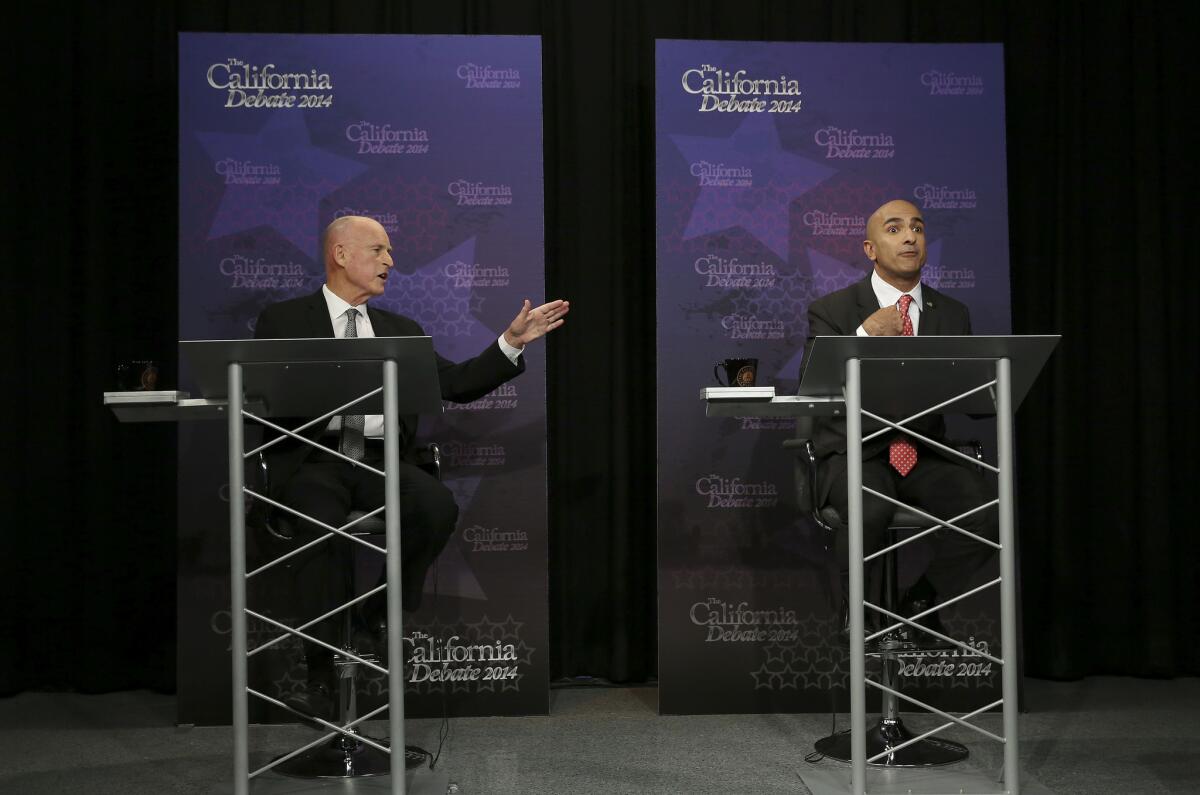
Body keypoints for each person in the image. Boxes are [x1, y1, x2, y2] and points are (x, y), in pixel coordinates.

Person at [253, 215, 568, 720]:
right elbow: (265, 398)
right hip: (312, 460)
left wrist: (512, 341)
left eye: (389, 252)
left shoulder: (402, 331)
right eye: (378, 250)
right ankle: (321, 661)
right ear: (340, 255)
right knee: (321, 528)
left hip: (377, 462)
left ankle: (374, 615)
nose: (389, 262)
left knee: (435, 504)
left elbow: (459, 383)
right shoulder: (284, 321)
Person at [802, 199, 996, 647]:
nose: (909, 237)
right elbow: (814, 388)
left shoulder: (952, 315)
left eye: (917, 228)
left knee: (989, 510)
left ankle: (920, 606)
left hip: (923, 452)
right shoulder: (833, 310)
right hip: (858, 451)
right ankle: (863, 620)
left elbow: (976, 402)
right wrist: (865, 336)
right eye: (894, 229)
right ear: (870, 248)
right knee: (870, 506)